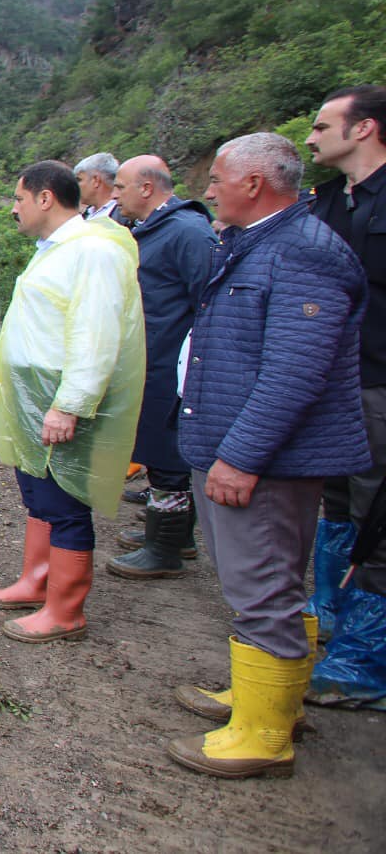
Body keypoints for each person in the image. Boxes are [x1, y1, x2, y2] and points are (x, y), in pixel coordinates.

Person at [166, 132, 370, 779]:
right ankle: (269, 699)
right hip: (233, 447)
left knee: (264, 586)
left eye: (218, 178)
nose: (209, 189)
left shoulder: (304, 253)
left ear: (254, 184)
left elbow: (295, 372)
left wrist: (242, 455)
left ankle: (263, 733)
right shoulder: (256, 243)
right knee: (258, 581)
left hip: (263, 460)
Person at [0, 161, 145, 643]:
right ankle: (37, 581)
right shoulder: (57, 248)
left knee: (65, 501)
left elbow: (96, 335)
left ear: (45, 198)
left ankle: (66, 609)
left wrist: (69, 405)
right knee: (38, 493)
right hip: (34, 398)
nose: (14, 208)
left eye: (18, 199)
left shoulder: (92, 251)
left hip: (58, 399)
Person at [302, 85, 386, 708]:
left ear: (365, 129)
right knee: (332, 496)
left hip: (380, 382)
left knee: (376, 514)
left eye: (323, 125)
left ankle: (366, 659)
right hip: (331, 379)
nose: (311, 137)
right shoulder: (327, 203)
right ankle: (325, 611)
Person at [106, 156, 217, 579]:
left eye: (121, 187)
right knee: (155, 447)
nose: (115, 195)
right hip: (152, 362)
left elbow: (209, 302)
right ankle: (168, 533)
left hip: (174, 366)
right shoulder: (156, 230)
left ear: (147, 188)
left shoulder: (187, 232)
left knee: (170, 454)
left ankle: (166, 547)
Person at [73, 152, 122, 220]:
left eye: (79, 180)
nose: (75, 186)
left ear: (96, 180)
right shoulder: (87, 213)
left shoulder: (124, 217)